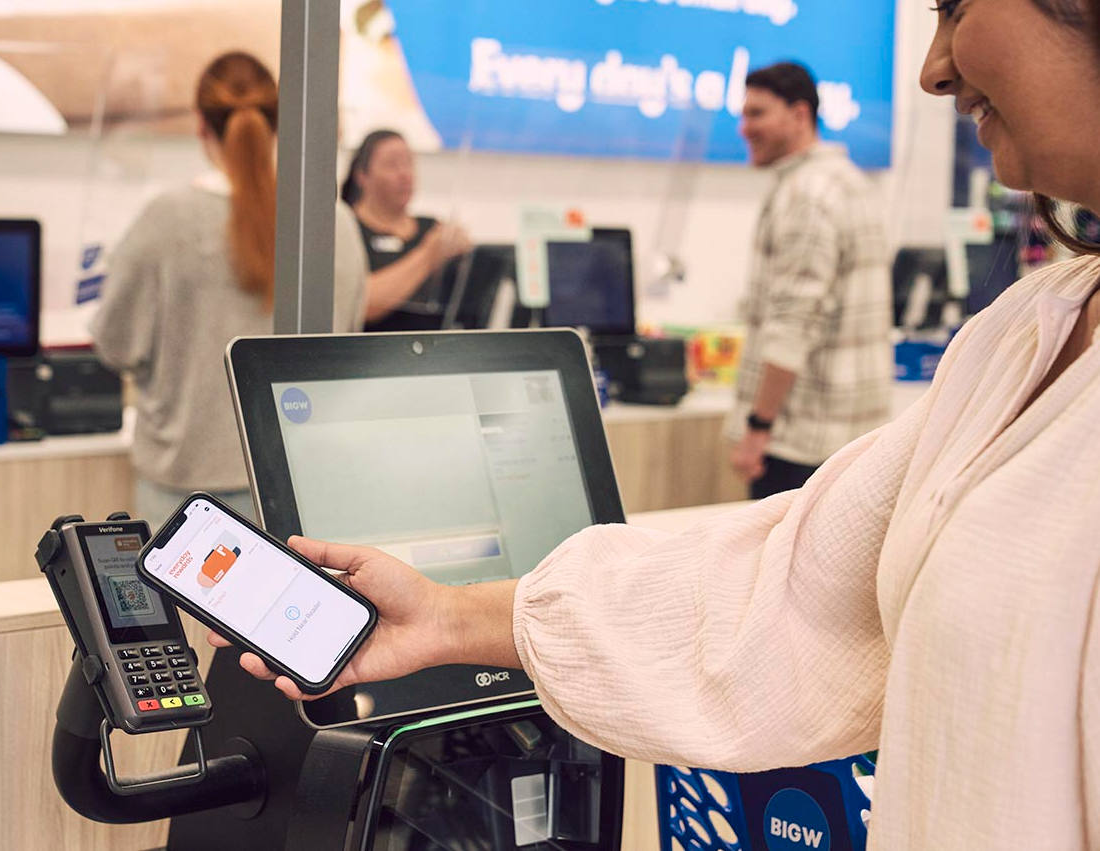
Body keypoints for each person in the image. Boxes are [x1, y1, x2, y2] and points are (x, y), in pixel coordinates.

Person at [215, 0, 1100, 845]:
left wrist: (755, 421)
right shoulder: (1028, 330)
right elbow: (789, 589)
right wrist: (451, 616)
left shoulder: (833, 210)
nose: (931, 69)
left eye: (959, 8)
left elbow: (790, 331)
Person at [92, 51, 368, 528]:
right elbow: (347, 338)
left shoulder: (166, 220)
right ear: (278, 122)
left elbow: (114, 343)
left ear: (201, 125)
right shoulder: (334, 221)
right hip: (309, 486)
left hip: (189, 493)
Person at [726, 62, 894, 499]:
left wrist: (758, 429)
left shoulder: (806, 195)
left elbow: (793, 323)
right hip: (852, 437)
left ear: (800, 114)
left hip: (800, 444)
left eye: (757, 113)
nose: (745, 128)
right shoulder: (852, 183)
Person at [341, 129, 471, 331]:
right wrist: (428, 255)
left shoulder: (432, 228)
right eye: (392, 164)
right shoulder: (347, 230)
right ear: (362, 175)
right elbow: (361, 303)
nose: (404, 174)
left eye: (408, 163)